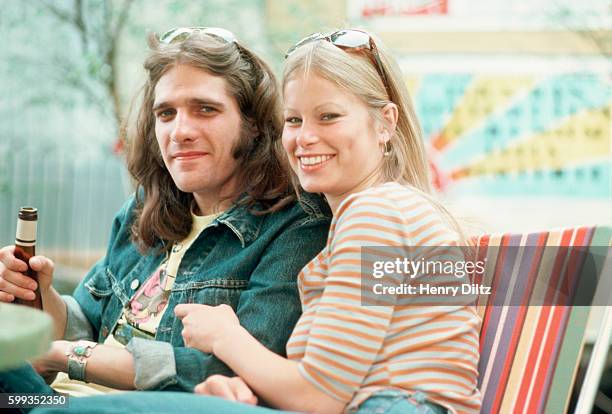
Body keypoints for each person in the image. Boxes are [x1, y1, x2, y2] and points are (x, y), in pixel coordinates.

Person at [34, 28, 481, 414]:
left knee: (48, 405)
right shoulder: (375, 214)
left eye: (329, 116)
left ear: (385, 123)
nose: (305, 138)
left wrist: (226, 338)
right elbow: (321, 385)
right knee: (24, 396)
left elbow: (320, 395)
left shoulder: (371, 214)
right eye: (294, 119)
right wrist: (232, 391)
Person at [0, 26, 330, 401]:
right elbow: (88, 322)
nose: (180, 131)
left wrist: (64, 356)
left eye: (205, 109)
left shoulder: (295, 226)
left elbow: (238, 371)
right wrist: (42, 298)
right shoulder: (146, 207)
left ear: (252, 124)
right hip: (44, 398)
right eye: (166, 113)